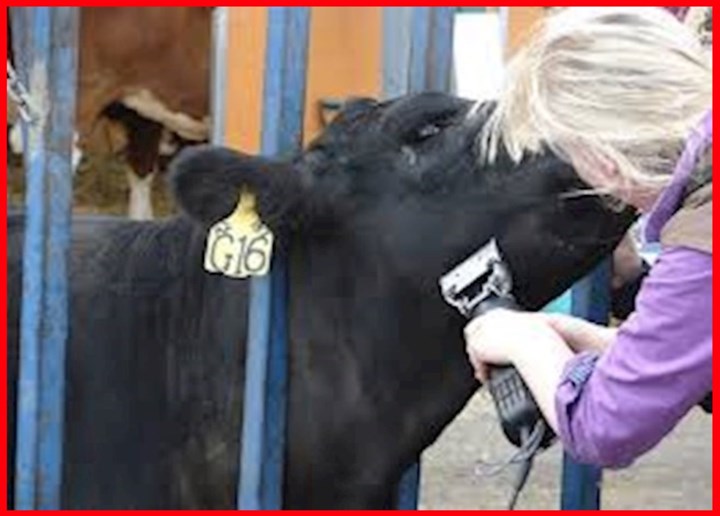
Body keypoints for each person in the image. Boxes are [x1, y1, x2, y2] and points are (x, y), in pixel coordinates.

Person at [465, 7, 712, 468]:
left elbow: (606, 428)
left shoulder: (704, 233)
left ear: (605, 157)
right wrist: (600, 344)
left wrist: (523, 340)